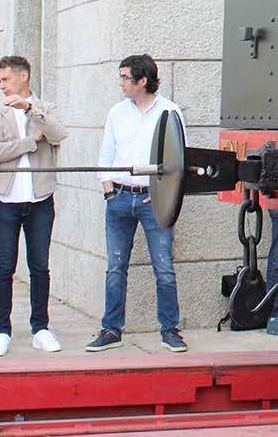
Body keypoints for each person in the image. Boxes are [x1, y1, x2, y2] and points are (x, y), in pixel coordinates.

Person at [85, 54, 187, 353]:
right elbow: (106, 156)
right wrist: (108, 191)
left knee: (164, 267)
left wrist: (162, 195)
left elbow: (179, 162)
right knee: (116, 266)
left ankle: (170, 330)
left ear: (143, 80)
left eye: (126, 78)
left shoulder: (169, 112)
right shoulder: (117, 112)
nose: (121, 83)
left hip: (152, 199)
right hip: (119, 195)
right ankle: (111, 328)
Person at [0, 55, 68, 356]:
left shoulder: (44, 109)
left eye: (5, 79)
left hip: (40, 199)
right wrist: (30, 143)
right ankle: (1, 330)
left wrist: (31, 110)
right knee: (4, 265)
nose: (1, 86)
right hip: (5, 200)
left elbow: (59, 134)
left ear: (23, 77)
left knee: (39, 267)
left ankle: (40, 327)